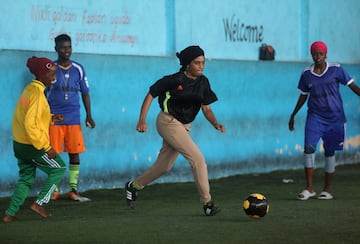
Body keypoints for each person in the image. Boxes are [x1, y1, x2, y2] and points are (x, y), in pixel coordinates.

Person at [125, 45, 226, 216]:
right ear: (187, 64)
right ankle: (207, 203)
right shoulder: (175, 80)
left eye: (203, 62)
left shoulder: (203, 82)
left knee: (163, 167)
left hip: (184, 126)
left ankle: (133, 186)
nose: (201, 66)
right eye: (197, 63)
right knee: (197, 159)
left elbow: (206, 109)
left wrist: (216, 124)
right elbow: (151, 94)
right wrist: (142, 120)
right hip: (168, 122)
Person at [288, 41, 360, 200]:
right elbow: (303, 95)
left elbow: (352, 86)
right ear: (312, 54)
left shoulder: (336, 69)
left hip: (335, 118)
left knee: (330, 151)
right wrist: (293, 114)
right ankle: (309, 188)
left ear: (325, 55)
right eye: (315, 53)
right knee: (308, 148)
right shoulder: (306, 74)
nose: (318, 56)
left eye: (321, 53)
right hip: (315, 116)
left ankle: (327, 190)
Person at [3, 57, 66, 223]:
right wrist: (46, 147)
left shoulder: (29, 89)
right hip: (33, 146)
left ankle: (10, 213)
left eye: (55, 72)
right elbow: (31, 125)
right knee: (59, 168)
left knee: (26, 179)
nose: (54, 76)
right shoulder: (38, 94)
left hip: (20, 145)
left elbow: (31, 117)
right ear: (40, 75)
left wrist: (51, 118)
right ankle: (39, 203)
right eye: (50, 73)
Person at [46, 34, 95, 201]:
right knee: (53, 154)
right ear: (56, 49)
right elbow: (41, 94)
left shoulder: (78, 69)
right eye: (62, 47)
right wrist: (45, 116)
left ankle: (73, 189)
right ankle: (54, 189)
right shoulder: (50, 68)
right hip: (54, 119)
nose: (66, 51)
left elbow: (86, 93)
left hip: (73, 118)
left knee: (74, 152)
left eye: (69, 47)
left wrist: (89, 115)